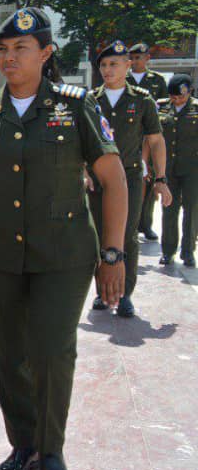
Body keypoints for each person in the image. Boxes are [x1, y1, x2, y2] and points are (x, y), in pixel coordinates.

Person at [0, 7, 126, 470]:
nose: (9, 57)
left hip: (64, 256)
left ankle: (51, 452)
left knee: (51, 350)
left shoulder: (76, 107)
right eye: (2, 49)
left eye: (21, 48)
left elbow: (114, 181)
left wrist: (114, 253)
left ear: (45, 54)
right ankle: (23, 444)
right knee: (10, 354)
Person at [88, 40, 170, 316]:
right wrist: (83, 172)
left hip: (130, 178)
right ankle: (102, 291)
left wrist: (161, 178)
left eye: (114, 64)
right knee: (99, 232)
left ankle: (124, 294)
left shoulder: (142, 100)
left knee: (127, 234)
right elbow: (78, 141)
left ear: (127, 66)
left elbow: (156, 140)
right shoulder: (90, 100)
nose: (107, 70)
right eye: (103, 65)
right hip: (98, 178)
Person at [128, 43, 170, 242]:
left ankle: (146, 224)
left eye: (139, 57)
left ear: (147, 59)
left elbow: (164, 108)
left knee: (149, 182)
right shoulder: (123, 78)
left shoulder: (157, 80)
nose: (135, 61)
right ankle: (130, 224)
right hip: (130, 137)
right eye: (132, 57)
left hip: (150, 137)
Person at [159, 74, 198, 268]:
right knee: (169, 209)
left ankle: (188, 251)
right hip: (168, 168)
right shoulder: (161, 107)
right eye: (173, 97)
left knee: (191, 210)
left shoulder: (196, 108)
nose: (177, 100)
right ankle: (168, 251)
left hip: (193, 169)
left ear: (189, 92)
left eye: (181, 97)